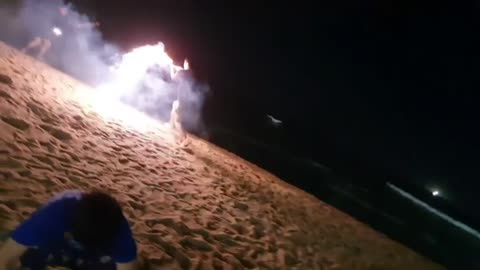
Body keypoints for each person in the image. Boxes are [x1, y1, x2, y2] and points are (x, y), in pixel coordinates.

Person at [0, 190, 137, 270]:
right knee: (26, 256)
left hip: (93, 254)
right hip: (56, 242)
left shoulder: (119, 230)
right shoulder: (52, 216)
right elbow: (4, 259)